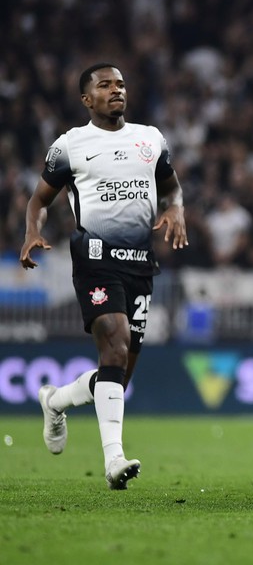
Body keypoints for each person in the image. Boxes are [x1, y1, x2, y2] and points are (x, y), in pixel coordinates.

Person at [23, 63, 188, 490]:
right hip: (94, 258)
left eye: (120, 84)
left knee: (116, 373)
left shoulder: (150, 138)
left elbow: (170, 187)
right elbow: (39, 199)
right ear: (87, 99)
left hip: (140, 264)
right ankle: (114, 460)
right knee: (114, 345)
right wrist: (32, 230)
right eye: (105, 85)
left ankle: (55, 400)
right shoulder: (71, 145)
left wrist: (174, 209)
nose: (116, 90)